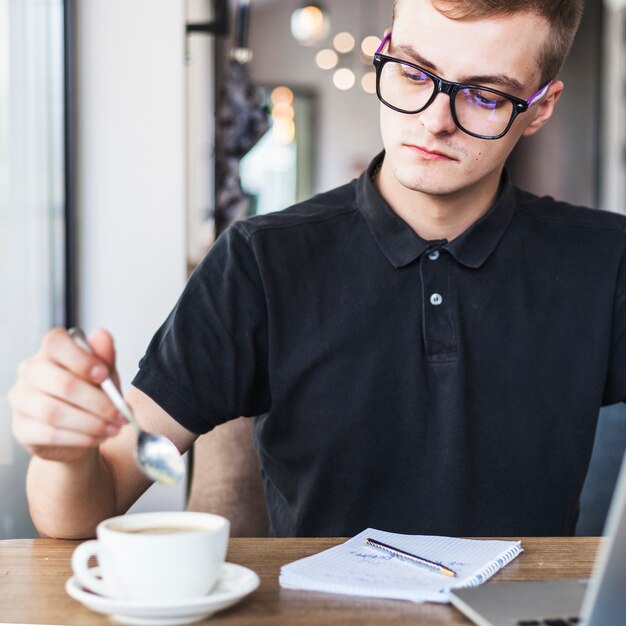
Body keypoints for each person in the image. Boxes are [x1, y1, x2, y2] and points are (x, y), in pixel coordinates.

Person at [10, 0, 616, 540]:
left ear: (540, 108)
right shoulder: (259, 261)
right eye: (412, 71)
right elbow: (87, 508)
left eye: (485, 95)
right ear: (385, 49)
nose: (434, 119)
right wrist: (64, 453)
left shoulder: (606, 262)